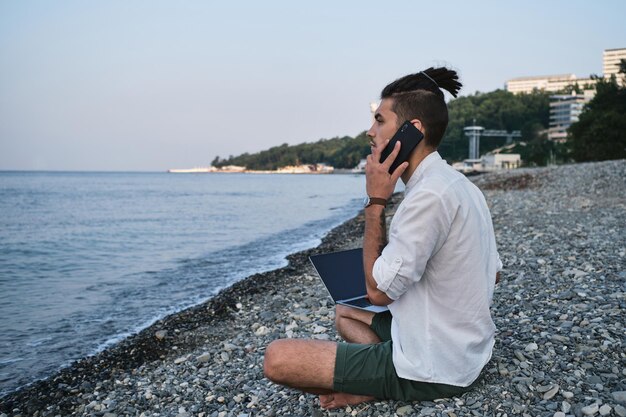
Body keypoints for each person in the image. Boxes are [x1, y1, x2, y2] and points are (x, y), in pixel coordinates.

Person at [263, 67, 502, 409]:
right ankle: (375, 374)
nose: (369, 131)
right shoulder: (462, 186)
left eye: (379, 120)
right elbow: (492, 273)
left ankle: (383, 384)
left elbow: (378, 293)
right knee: (345, 312)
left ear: (412, 131)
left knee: (277, 358)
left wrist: (376, 202)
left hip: (436, 366)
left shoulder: (427, 198)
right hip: (465, 348)